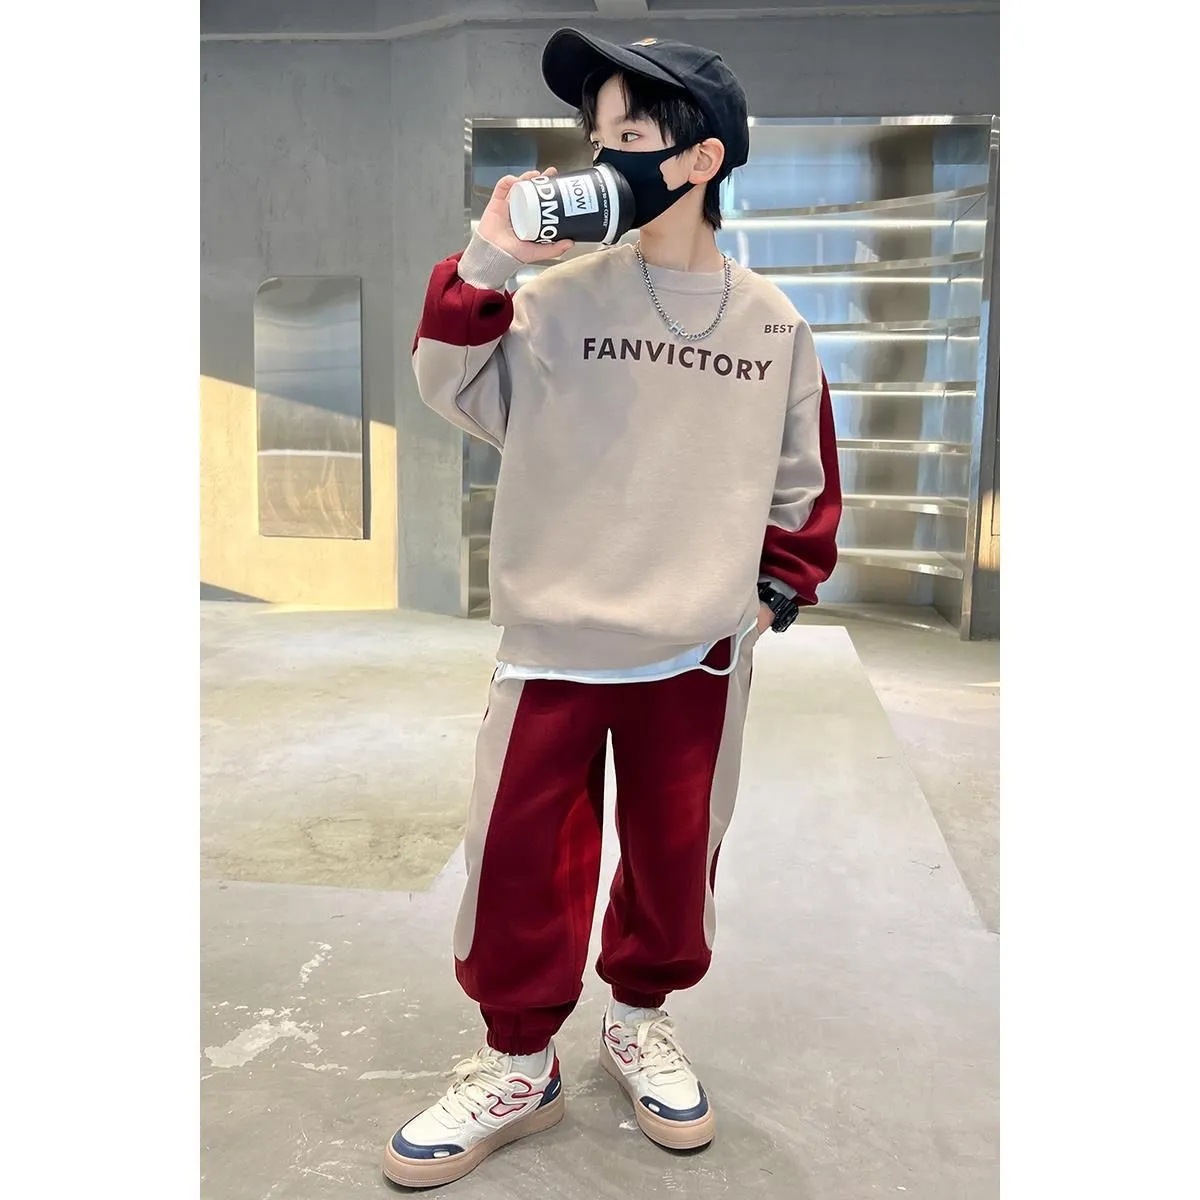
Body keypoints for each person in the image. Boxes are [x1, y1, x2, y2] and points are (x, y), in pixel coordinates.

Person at [383, 26, 842, 1189]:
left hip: (692, 657)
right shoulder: (550, 301)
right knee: (518, 861)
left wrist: (771, 591)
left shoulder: (775, 325)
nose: (605, 158)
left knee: (674, 860)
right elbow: (446, 377)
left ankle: (639, 1019)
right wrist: (490, 257)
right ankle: (518, 1062)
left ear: (701, 159)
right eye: (598, 136)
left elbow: (805, 481)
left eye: (631, 134)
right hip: (552, 643)